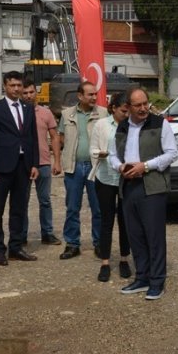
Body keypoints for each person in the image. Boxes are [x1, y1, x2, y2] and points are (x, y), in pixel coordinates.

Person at [108, 87, 177, 300]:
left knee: (154, 236)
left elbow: (172, 154)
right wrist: (120, 167)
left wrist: (145, 166)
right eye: (137, 105)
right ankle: (142, 278)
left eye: (145, 103)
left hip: (152, 186)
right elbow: (112, 155)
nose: (143, 108)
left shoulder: (160, 124)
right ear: (127, 107)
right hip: (128, 186)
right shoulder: (121, 127)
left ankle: (157, 281)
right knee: (135, 235)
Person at [0, 71, 40, 265]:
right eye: (12, 85)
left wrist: (34, 163)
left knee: (19, 209)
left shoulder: (28, 108)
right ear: (5, 86)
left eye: (19, 85)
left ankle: (15, 247)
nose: (16, 89)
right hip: (1, 167)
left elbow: (33, 137)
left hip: (23, 166)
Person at [57, 81, 106, 260]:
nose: (94, 97)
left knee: (98, 208)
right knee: (72, 207)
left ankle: (100, 243)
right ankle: (72, 244)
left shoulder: (103, 113)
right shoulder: (67, 114)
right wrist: (57, 161)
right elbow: (61, 139)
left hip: (96, 167)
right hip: (74, 167)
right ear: (80, 96)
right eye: (90, 94)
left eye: (95, 94)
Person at [90, 92, 131, 282]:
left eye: (128, 110)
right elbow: (93, 149)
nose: (126, 114)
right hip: (105, 177)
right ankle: (105, 262)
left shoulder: (132, 125)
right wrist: (102, 153)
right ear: (113, 108)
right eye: (123, 110)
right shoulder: (101, 125)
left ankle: (124, 259)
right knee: (106, 220)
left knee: (126, 221)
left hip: (126, 178)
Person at [20, 79, 61, 247]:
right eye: (25, 93)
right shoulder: (17, 112)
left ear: (36, 92)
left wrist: (57, 161)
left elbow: (55, 137)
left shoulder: (46, 113)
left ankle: (47, 232)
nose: (29, 95)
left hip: (43, 162)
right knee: (21, 201)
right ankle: (21, 234)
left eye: (31, 92)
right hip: (23, 163)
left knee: (45, 200)